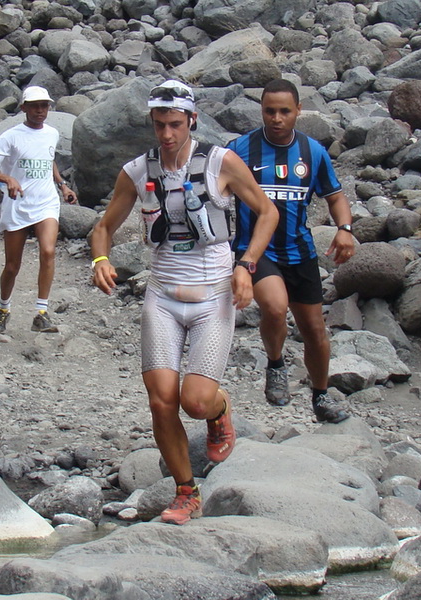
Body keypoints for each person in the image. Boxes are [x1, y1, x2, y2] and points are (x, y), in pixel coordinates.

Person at [90, 80, 278, 525]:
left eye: (175, 124)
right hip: (163, 296)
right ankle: (186, 492)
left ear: (192, 120)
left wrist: (246, 264)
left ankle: (219, 409)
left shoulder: (220, 163)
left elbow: (267, 212)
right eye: (159, 125)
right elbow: (103, 228)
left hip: (214, 295)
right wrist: (101, 258)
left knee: (195, 401)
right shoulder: (137, 171)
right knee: (160, 401)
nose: (167, 134)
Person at [229, 78, 356, 423]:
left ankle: (321, 395)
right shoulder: (239, 150)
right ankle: (275, 364)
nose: (276, 118)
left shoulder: (312, 152)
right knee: (274, 305)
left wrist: (345, 229)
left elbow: (335, 196)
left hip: (300, 251)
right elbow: (212, 191)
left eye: (285, 111)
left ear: (298, 111)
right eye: (269, 111)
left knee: (314, 329)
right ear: (261, 110)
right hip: (255, 251)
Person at [0, 85, 77, 334]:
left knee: (48, 250)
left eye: (44, 105)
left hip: (46, 201)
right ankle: (3, 309)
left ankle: (41, 313)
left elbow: (48, 158)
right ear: (23, 108)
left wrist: (62, 185)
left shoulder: (52, 133)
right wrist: (7, 179)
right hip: (18, 203)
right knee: (12, 265)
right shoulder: (12, 135)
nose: (40, 110)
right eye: (34, 106)